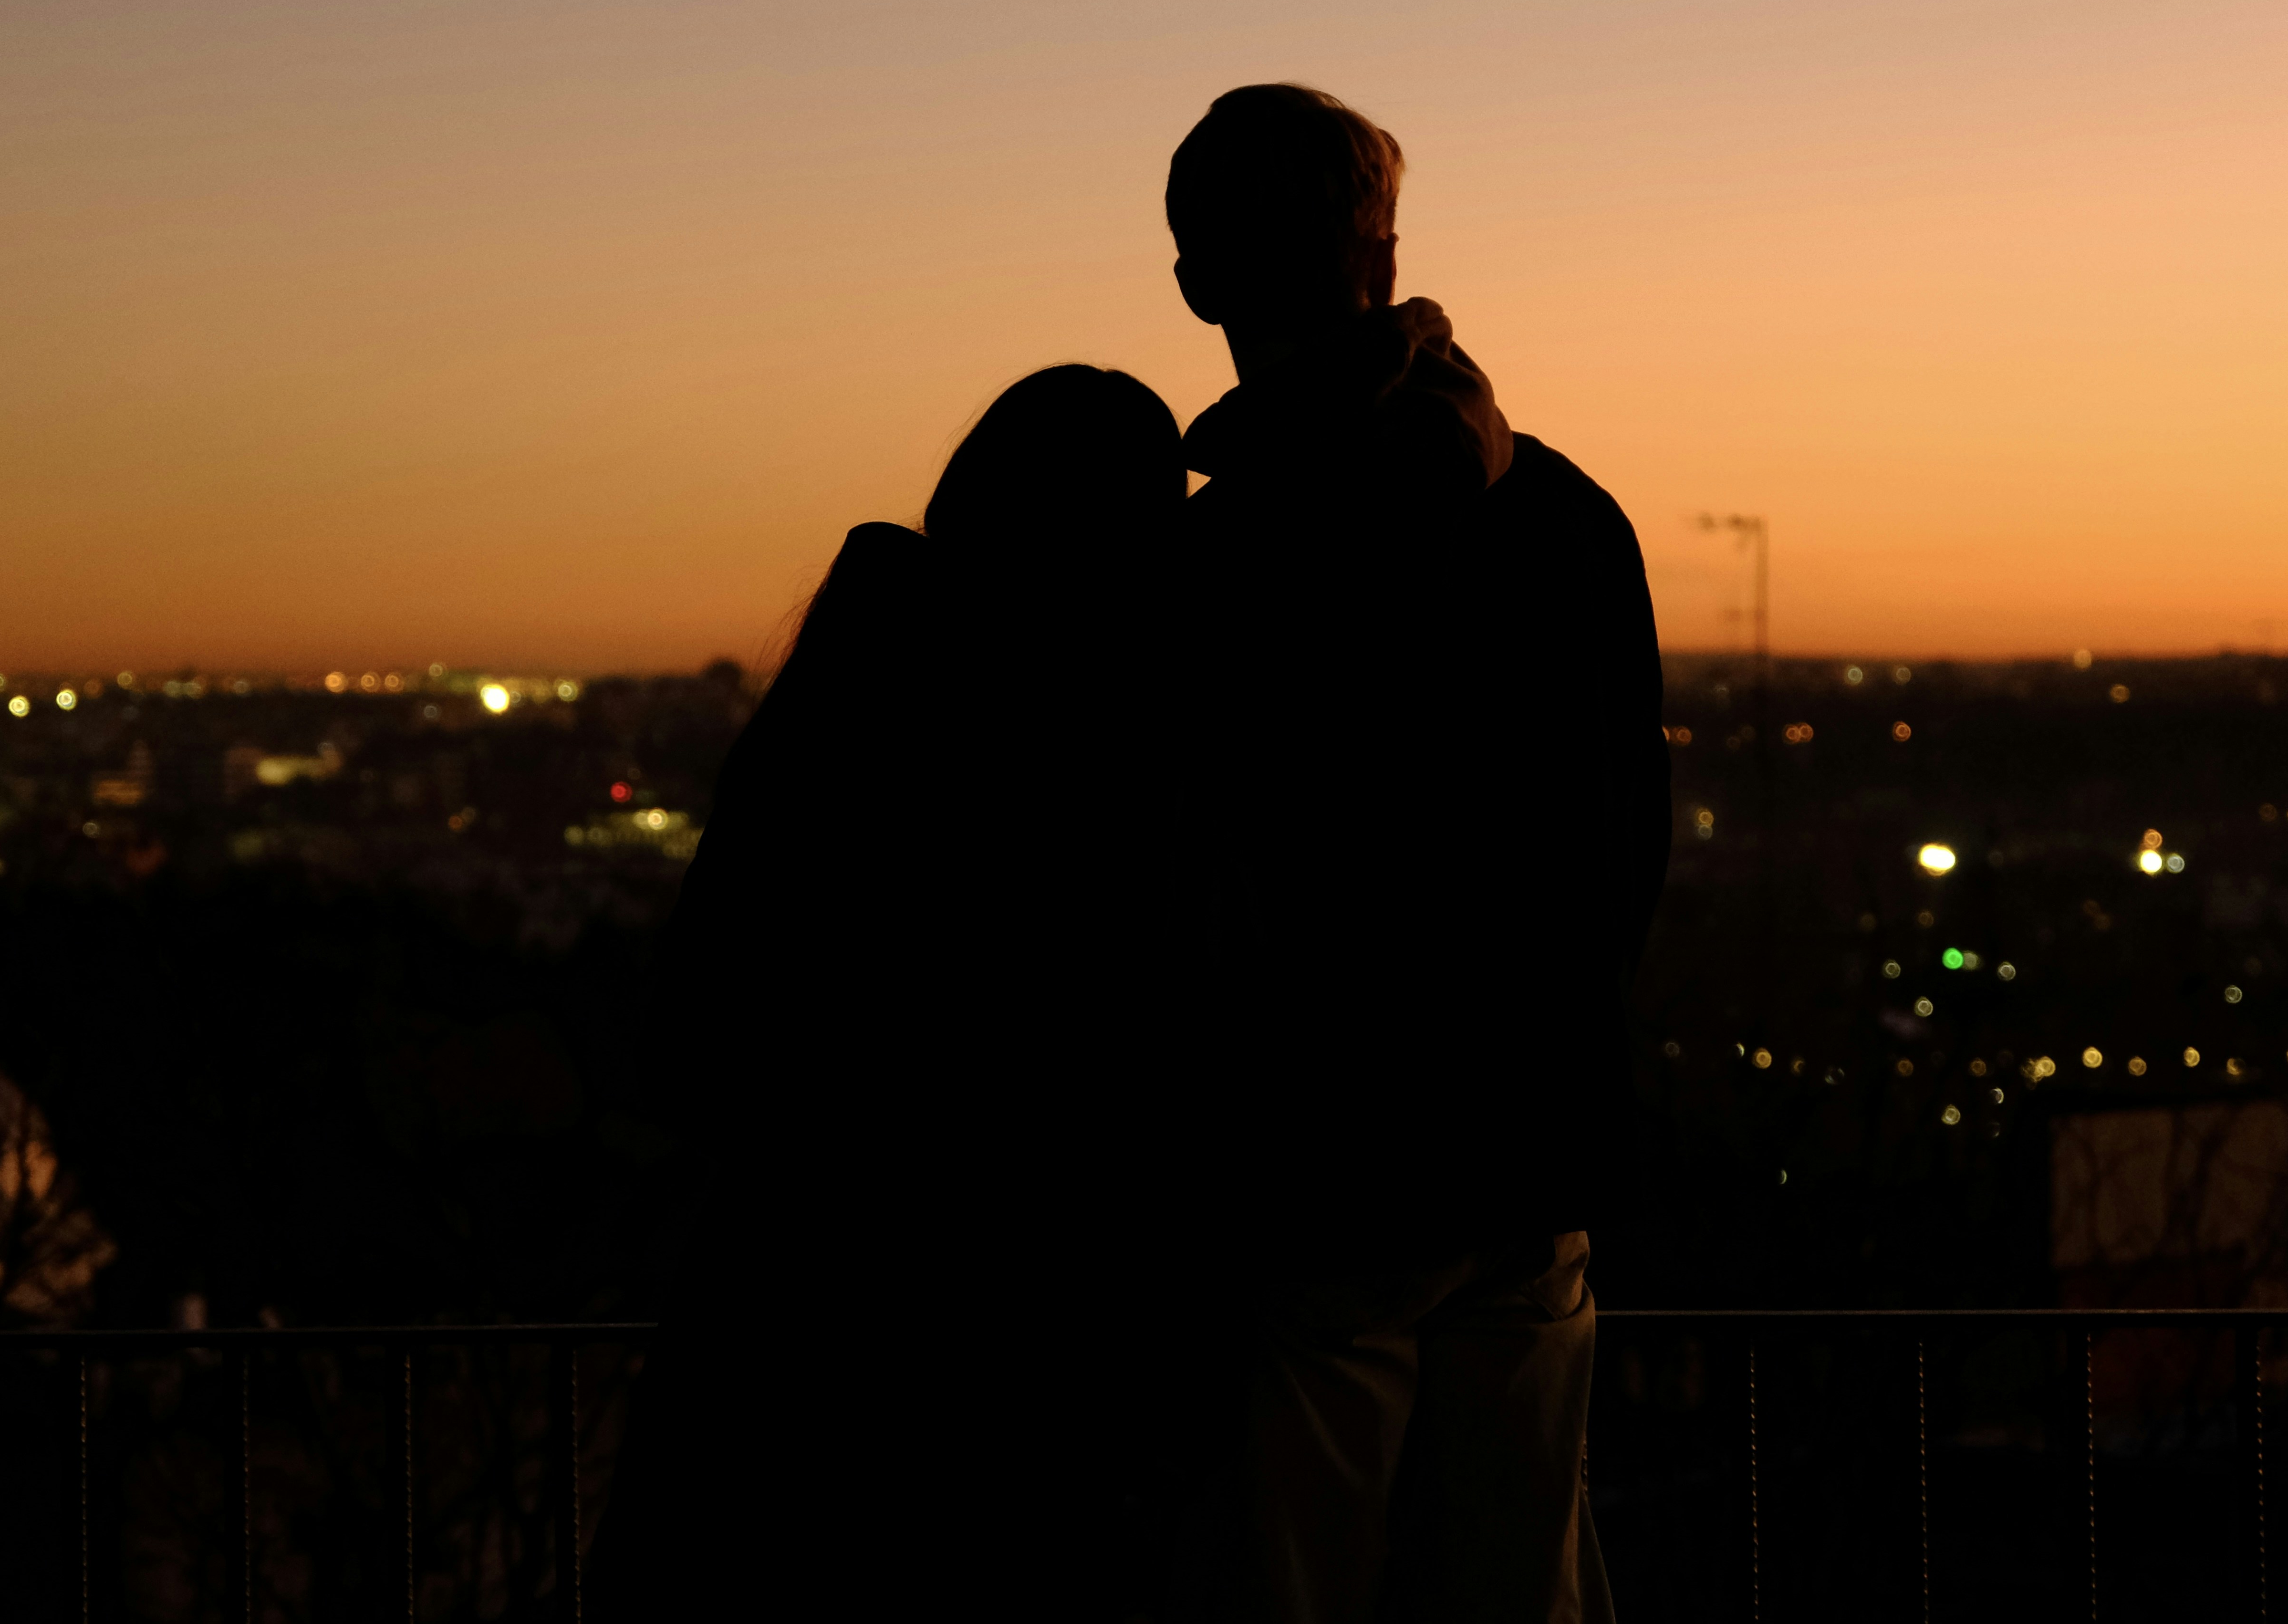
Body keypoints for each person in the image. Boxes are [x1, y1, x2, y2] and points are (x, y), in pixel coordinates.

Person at [1155, 84, 1670, 1623]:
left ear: (1197, 281)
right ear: (1383, 260)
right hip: (1523, 1152)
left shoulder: (1217, 562)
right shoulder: (1567, 518)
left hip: (1311, 1179)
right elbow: (1623, 842)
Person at [593, 363, 1190, 1622]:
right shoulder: (1050, 759)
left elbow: (687, 1040)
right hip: (969, 1379)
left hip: (767, 1351)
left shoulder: (852, 700)